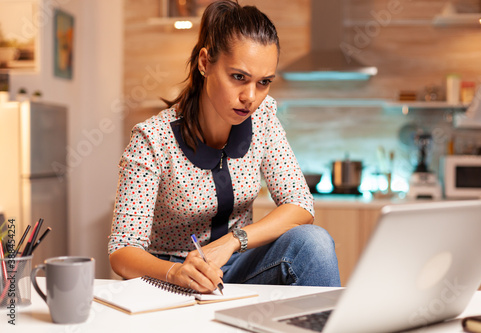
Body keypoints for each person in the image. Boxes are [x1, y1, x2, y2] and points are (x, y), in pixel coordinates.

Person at [108, 0, 340, 293]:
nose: (250, 97)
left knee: (313, 242)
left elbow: (301, 204)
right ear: (205, 63)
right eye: (238, 77)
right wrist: (176, 272)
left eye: (264, 82)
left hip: (237, 265)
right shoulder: (153, 139)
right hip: (170, 276)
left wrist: (232, 241)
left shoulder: (263, 118)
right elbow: (122, 250)